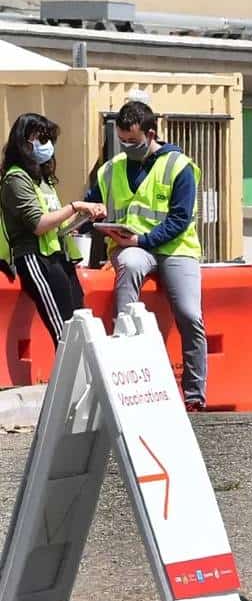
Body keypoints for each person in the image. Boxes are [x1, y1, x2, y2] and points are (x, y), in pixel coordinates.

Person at [85, 101, 208, 412]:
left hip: (176, 249)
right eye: (122, 140)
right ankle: (124, 369)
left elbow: (180, 220)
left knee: (190, 314)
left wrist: (142, 239)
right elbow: (93, 204)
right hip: (133, 250)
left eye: (133, 140)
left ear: (151, 134)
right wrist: (93, 214)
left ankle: (194, 394)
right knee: (128, 269)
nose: (127, 146)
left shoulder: (179, 166)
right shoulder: (111, 169)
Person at [0, 113, 105, 345]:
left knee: (79, 323)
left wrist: (82, 217)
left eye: (48, 139)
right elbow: (38, 224)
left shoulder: (43, 180)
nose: (46, 145)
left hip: (58, 256)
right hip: (34, 257)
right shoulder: (16, 179)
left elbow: (56, 221)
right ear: (24, 141)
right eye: (40, 138)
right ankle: (70, 369)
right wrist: (75, 206)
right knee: (64, 333)